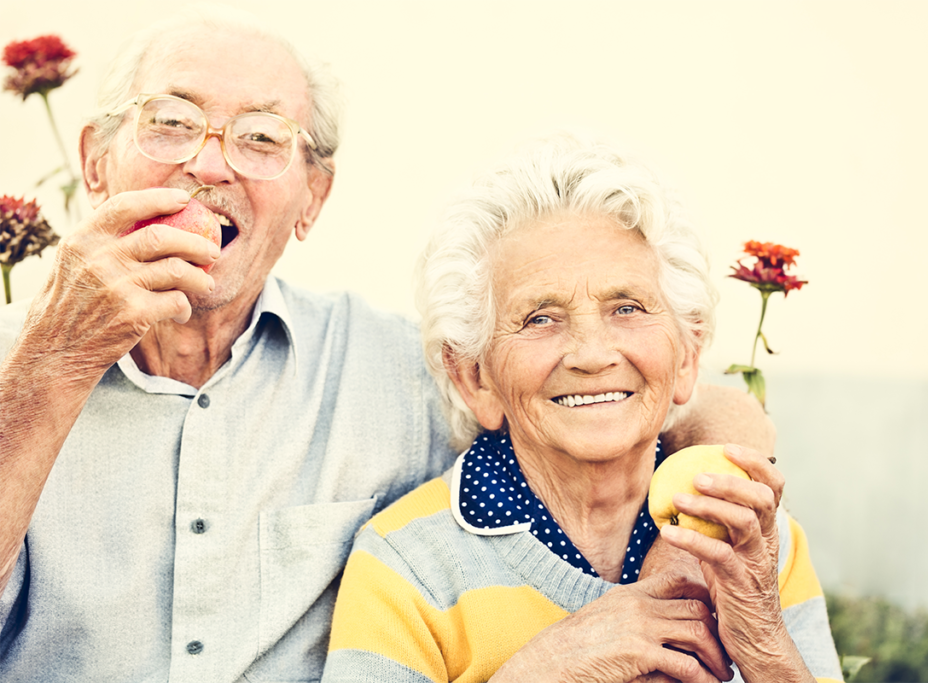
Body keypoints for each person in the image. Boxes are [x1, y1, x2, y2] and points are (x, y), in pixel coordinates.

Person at [0, 8, 774, 683]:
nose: (209, 163)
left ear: (313, 197)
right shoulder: (15, 363)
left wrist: (687, 550)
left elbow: (643, 392)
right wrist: (50, 368)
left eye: (262, 137)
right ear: (96, 162)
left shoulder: (389, 373)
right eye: (169, 121)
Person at [322, 136, 843, 683]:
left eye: (627, 307)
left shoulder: (754, 538)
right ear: (475, 376)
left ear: (687, 354)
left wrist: (760, 642)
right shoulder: (407, 568)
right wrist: (541, 672)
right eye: (540, 318)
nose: (592, 355)